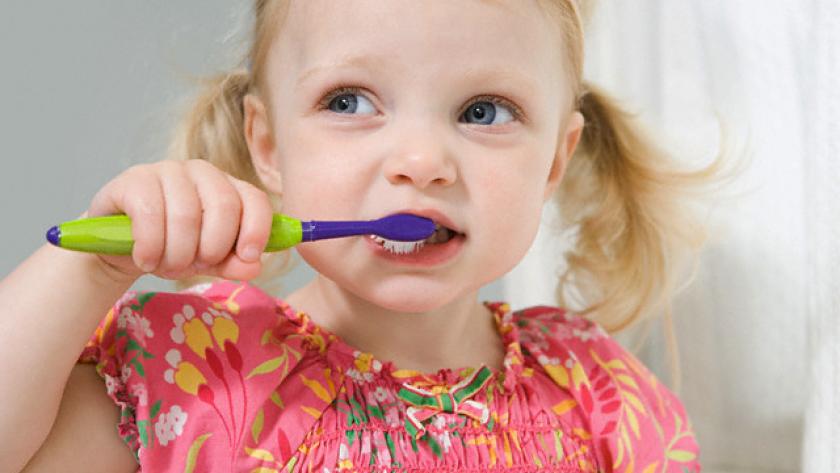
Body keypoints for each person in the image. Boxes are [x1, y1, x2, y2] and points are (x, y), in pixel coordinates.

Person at [1, 0, 726, 471]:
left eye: (484, 111)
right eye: (349, 101)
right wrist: (88, 272)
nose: (422, 163)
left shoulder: (599, 395)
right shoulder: (197, 376)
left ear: (554, 162)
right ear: (269, 145)